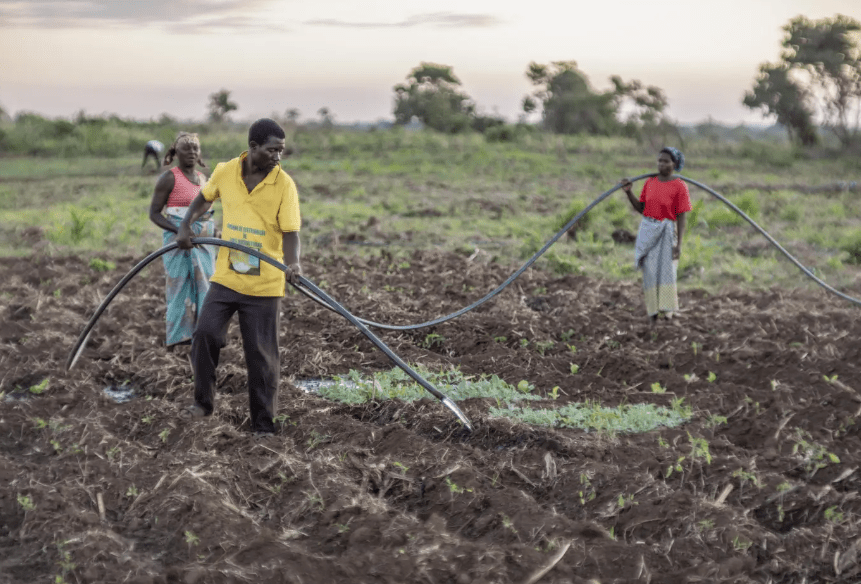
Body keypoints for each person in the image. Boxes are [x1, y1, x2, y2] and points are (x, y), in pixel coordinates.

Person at [175, 118, 301, 435]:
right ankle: (202, 404)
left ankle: (263, 426)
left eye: (282, 151)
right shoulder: (226, 171)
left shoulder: (283, 184)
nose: (278, 157)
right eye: (273, 150)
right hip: (228, 278)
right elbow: (205, 197)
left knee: (261, 357)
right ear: (253, 147)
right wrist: (186, 224)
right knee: (205, 335)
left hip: (265, 284)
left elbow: (290, 232)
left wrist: (293, 263)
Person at [148, 132, 216, 347]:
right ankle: (178, 339)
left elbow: (205, 211)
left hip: (203, 241)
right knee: (179, 287)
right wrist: (178, 231)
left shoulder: (204, 179)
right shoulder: (170, 177)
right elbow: (155, 213)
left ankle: (202, 336)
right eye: (186, 149)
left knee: (206, 286)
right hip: (178, 241)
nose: (192, 153)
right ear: (175, 152)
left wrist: (215, 231)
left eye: (196, 148)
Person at [620, 147, 691, 322]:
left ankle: (667, 314)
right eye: (659, 161)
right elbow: (642, 209)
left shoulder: (680, 186)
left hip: (667, 232)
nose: (661, 164)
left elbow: (681, 217)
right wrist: (629, 192)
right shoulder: (650, 182)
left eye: (666, 161)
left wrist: (679, 244)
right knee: (650, 274)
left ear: (674, 164)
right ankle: (653, 315)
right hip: (648, 230)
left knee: (667, 273)